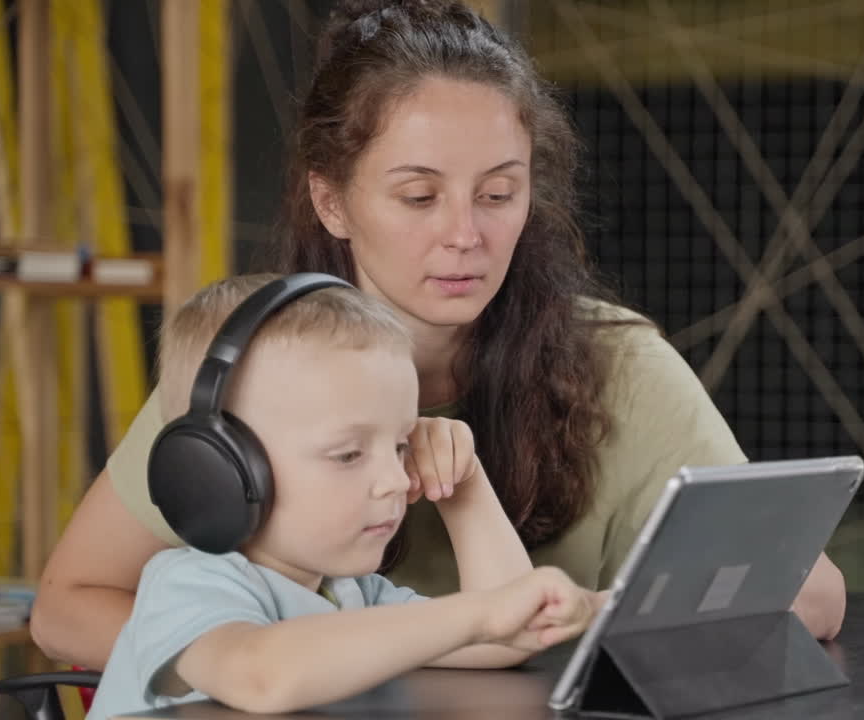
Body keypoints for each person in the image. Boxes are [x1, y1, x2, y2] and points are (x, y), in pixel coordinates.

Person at [31, 0, 846, 671]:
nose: (465, 235)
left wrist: (576, 616)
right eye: (419, 198)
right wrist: (254, 657)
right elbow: (66, 609)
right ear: (333, 201)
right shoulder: (254, 363)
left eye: (498, 195)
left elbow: (812, 594)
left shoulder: (619, 362)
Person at [85, 274, 600, 720]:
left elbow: (500, 642)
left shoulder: (352, 593)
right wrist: (480, 615)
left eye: (400, 446)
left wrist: (463, 489)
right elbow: (261, 674)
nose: (397, 480)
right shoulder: (188, 584)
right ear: (221, 468)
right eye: (349, 454)